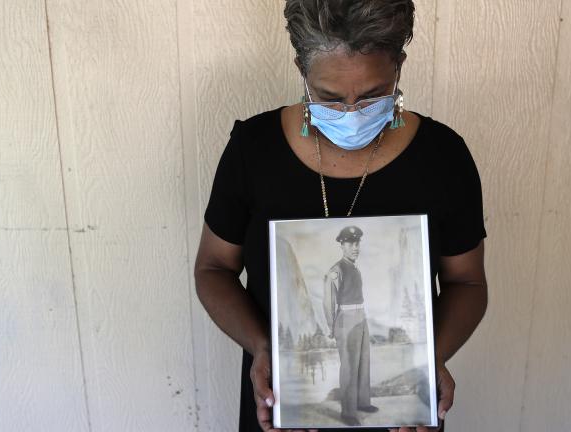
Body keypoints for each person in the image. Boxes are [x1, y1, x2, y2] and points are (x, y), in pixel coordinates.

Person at [194, 1, 488, 431]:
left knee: (363, 364)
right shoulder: (252, 151)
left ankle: (361, 400)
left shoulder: (443, 157)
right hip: (284, 410)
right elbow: (213, 268)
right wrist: (262, 348)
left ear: (399, 66)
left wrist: (429, 358)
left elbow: (468, 281)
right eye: (329, 98)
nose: (352, 113)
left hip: (403, 423)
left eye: (372, 95)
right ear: (301, 68)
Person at [323, 226, 378, 426]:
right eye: (351, 243)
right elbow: (329, 302)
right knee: (349, 366)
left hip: (360, 316)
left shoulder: (354, 267)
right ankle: (347, 412)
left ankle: (363, 402)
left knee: (364, 362)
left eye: (357, 243)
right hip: (346, 319)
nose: (355, 247)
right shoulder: (336, 271)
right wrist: (331, 326)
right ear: (342, 245)